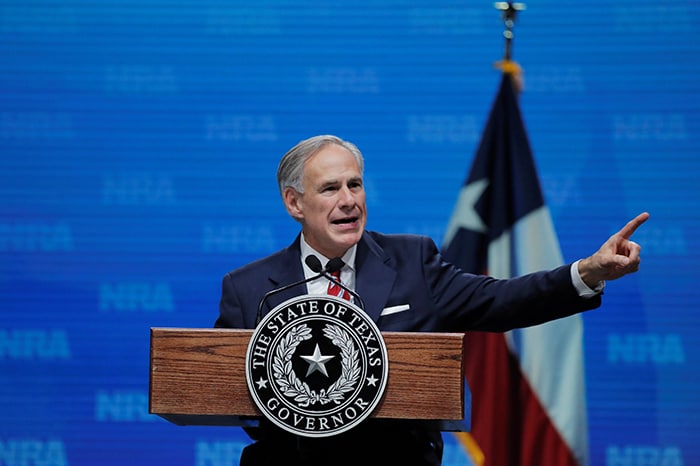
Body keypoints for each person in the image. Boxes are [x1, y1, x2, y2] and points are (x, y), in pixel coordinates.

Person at [215, 134, 649, 466]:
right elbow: (214, 385)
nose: (349, 200)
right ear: (294, 202)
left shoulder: (412, 261)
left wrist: (588, 271)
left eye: (355, 184)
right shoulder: (250, 288)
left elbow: (501, 300)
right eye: (330, 189)